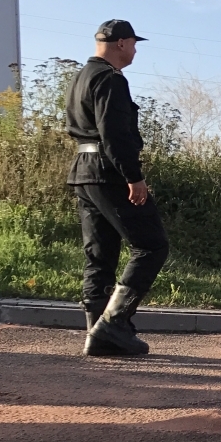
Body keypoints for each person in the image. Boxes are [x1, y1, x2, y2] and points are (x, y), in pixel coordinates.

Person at [66, 20, 170, 357]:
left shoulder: (81, 77)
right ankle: (113, 325)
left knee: (100, 255)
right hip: (109, 172)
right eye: (134, 44)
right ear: (122, 43)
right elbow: (115, 134)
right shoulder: (110, 79)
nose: (136, 50)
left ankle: (97, 334)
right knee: (151, 246)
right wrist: (133, 176)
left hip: (83, 171)